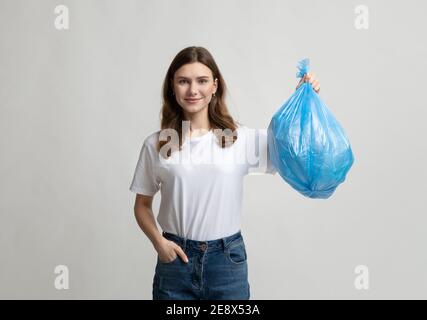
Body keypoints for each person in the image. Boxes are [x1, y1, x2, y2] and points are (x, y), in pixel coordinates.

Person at [129, 46, 320, 300]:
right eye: (183, 81)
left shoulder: (238, 139)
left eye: (202, 81)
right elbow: (142, 205)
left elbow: (292, 149)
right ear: (172, 87)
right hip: (175, 262)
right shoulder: (158, 144)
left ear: (215, 86)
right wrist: (158, 243)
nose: (193, 90)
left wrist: (305, 99)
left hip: (226, 262)